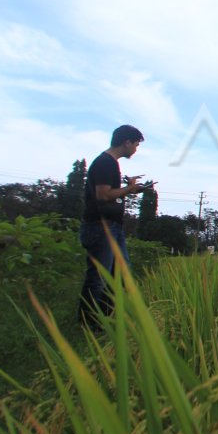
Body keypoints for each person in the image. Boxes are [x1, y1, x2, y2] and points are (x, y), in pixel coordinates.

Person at [78, 124, 151, 329]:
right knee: (98, 276)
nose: (136, 150)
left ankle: (107, 317)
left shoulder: (111, 164)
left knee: (119, 273)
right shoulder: (105, 163)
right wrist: (129, 188)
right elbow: (103, 196)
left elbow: (110, 193)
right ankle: (90, 323)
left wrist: (129, 188)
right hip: (101, 227)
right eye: (135, 145)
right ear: (126, 142)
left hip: (112, 227)